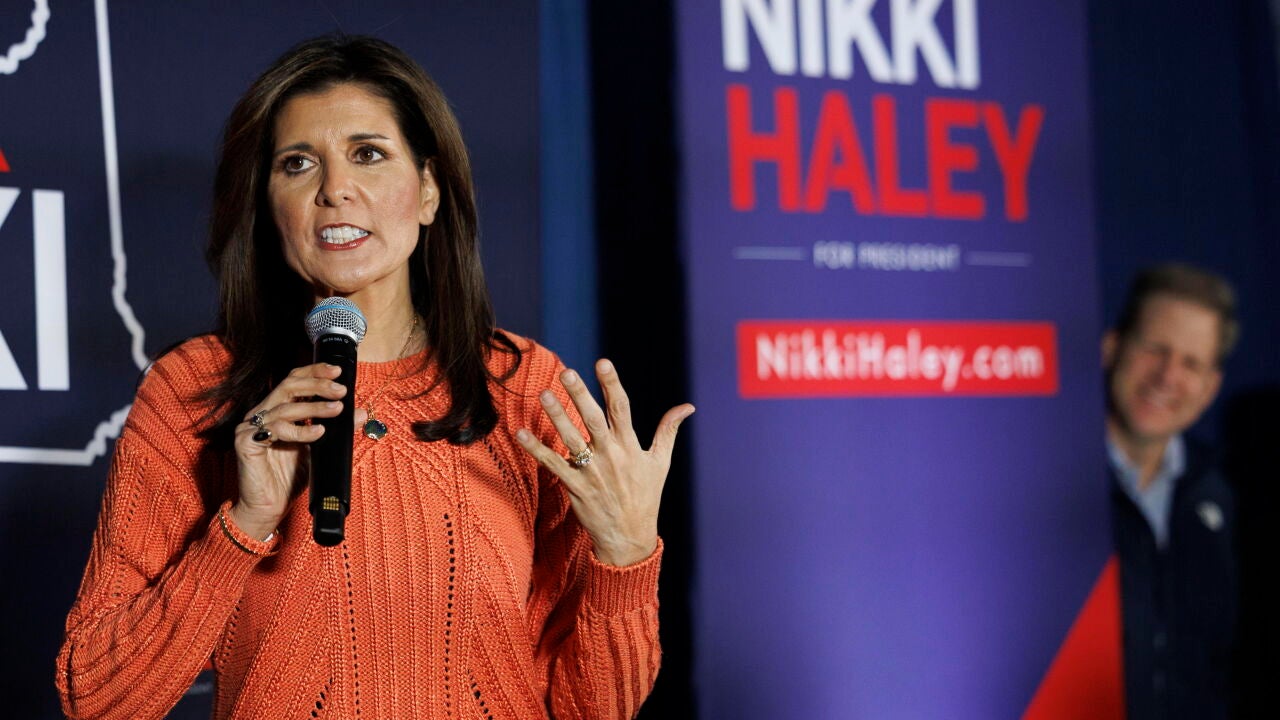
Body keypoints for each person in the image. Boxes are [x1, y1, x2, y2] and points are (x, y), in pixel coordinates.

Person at [55, 35, 693, 720]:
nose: (334, 189)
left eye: (368, 154)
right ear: (268, 205)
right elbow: (97, 697)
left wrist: (625, 557)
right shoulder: (195, 389)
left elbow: (595, 708)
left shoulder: (524, 389)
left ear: (428, 191)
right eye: (298, 164)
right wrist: (244, 524)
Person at [1102, 263, 1238, 720]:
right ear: (1111, 347)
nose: (1167, 376)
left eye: (1191, 363)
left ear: (1210, 388)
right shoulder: (1048, 481)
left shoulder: (1227, 490)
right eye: (1155, 349)